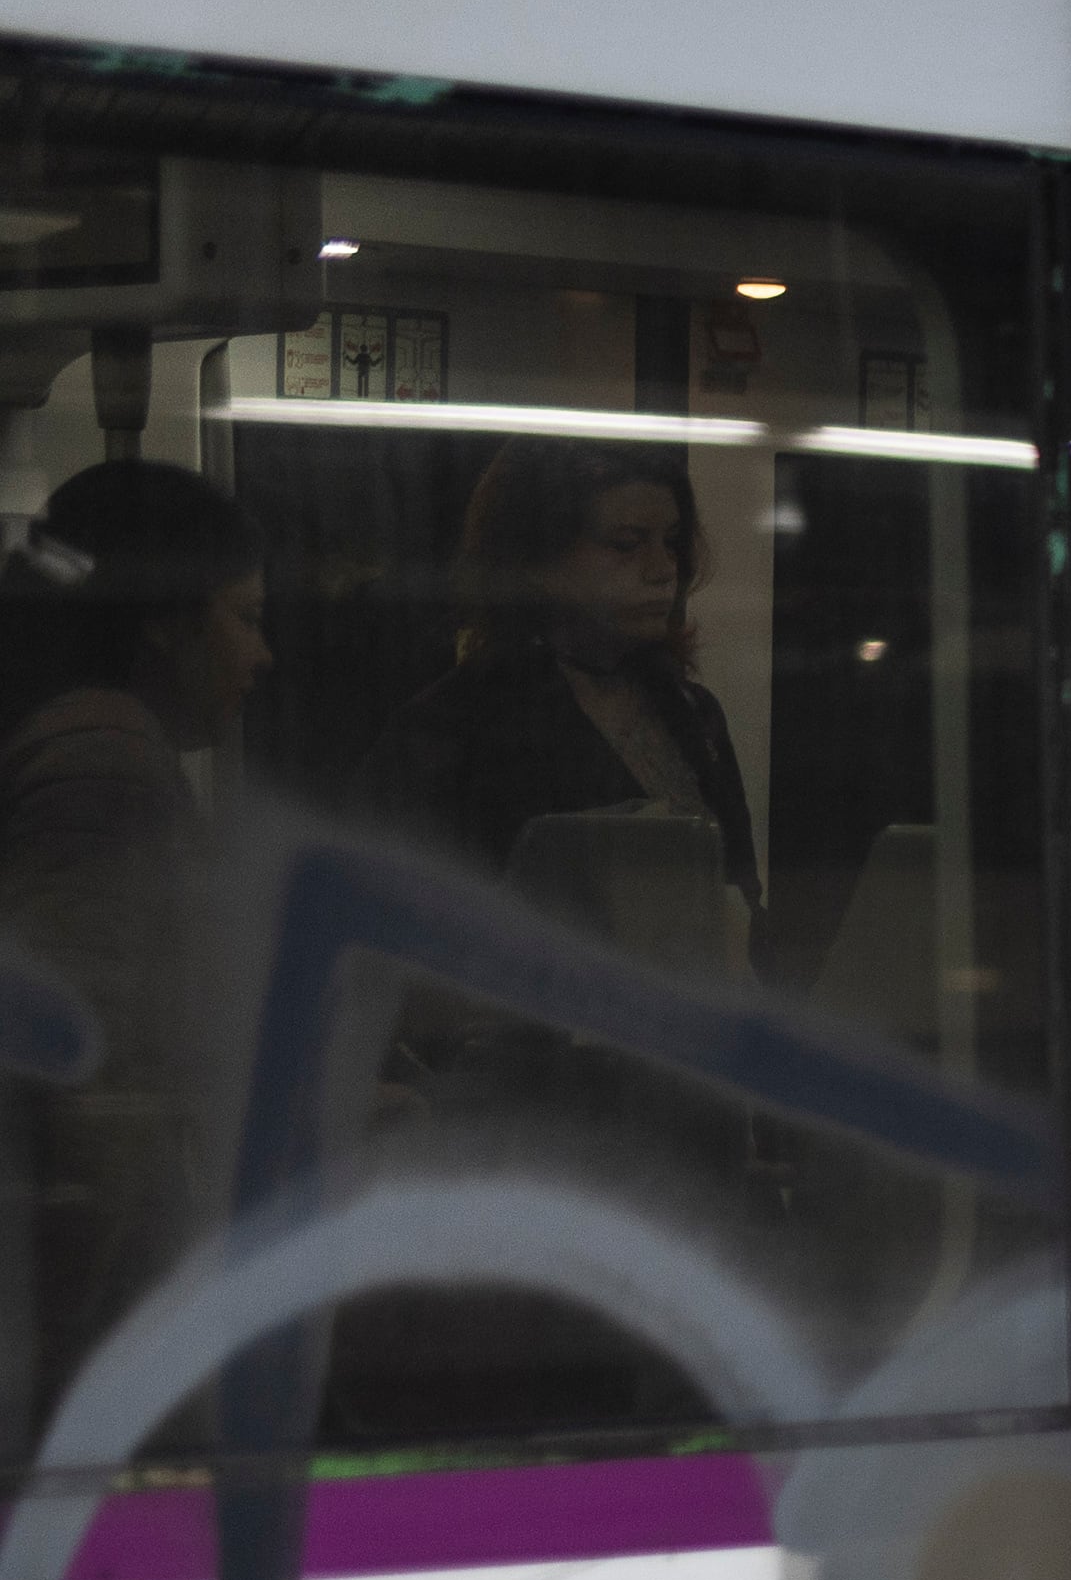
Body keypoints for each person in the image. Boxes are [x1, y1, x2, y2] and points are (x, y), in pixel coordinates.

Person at [0, 460, 269, 1437]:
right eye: (243, 615)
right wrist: (69, 1389)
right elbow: (87, 1084)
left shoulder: (65, 742)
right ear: (164, 620)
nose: (262, 652)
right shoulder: (103, 766)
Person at [361, 438, 754, 907]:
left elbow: (742, 895)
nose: (663, 569)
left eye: (671, 543)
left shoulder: (693, 712)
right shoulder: (452, 728)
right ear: (537, 560)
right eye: (627, 544)